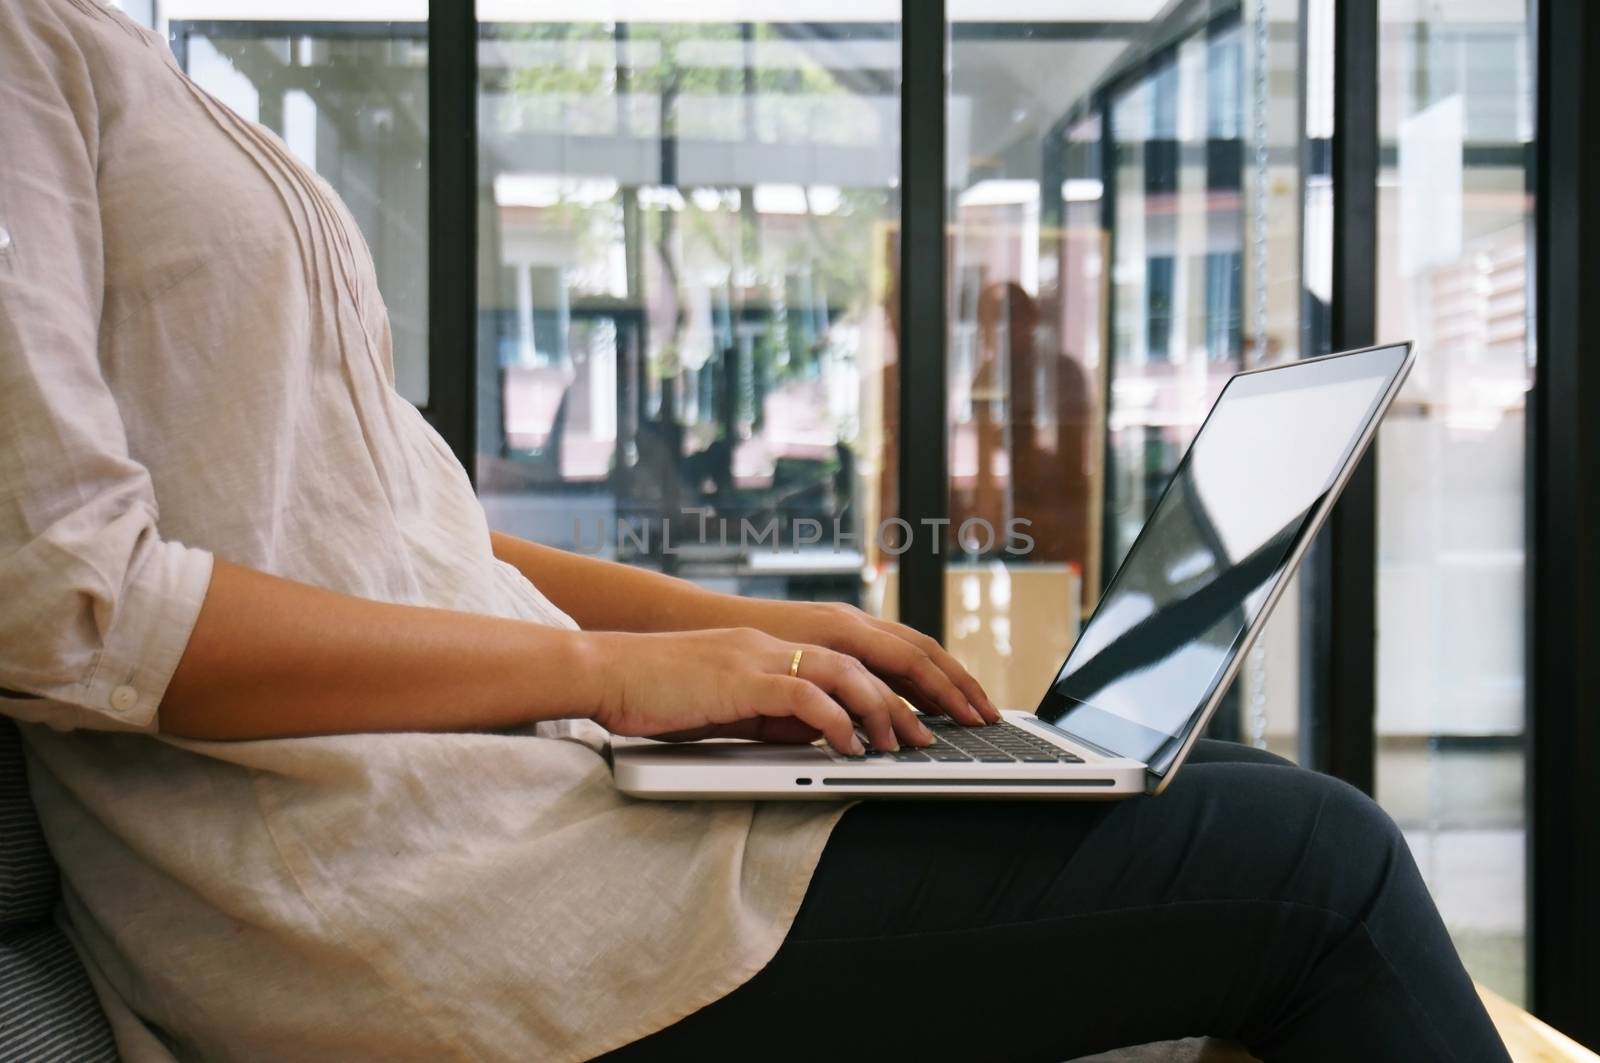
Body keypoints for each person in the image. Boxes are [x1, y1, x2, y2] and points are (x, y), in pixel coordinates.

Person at [0, 3, 1510, 1061]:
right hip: (401, 895)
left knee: (1209, 781)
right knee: (1324, 866)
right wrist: (606, 673)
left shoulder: (134, 55)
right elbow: (68, 604)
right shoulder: (27, 48)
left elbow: (416, 526)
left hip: (507, 814)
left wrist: (767, 639)